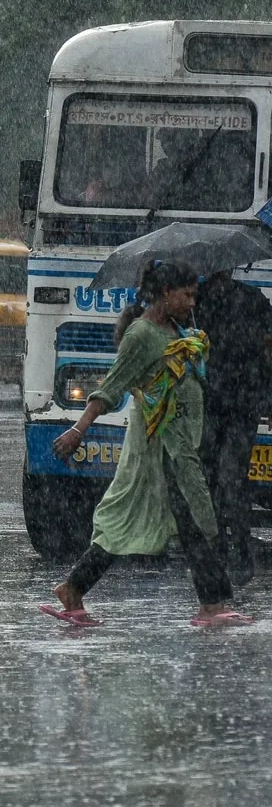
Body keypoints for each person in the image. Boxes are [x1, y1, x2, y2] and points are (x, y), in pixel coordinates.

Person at [42, 259, 252, 628]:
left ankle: (74, 588)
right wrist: (79, 430)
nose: (192, 303)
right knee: (193, 516)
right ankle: (212, 604)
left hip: (180, 444)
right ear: (166, 293)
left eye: (194, 296)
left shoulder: (178, 328)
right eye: (186, 295)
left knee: (135, 520)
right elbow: (111, 386)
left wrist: (195, 350)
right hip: (160, 446)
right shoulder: (140, 335)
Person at [194, 270, 272, 585]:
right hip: (213, 400)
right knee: (212, 475)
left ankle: (235, 547)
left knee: (229, 476)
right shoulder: (195, 301)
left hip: (241, 402)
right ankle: (219, 547)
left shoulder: (251, 299)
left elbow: (269, 346)